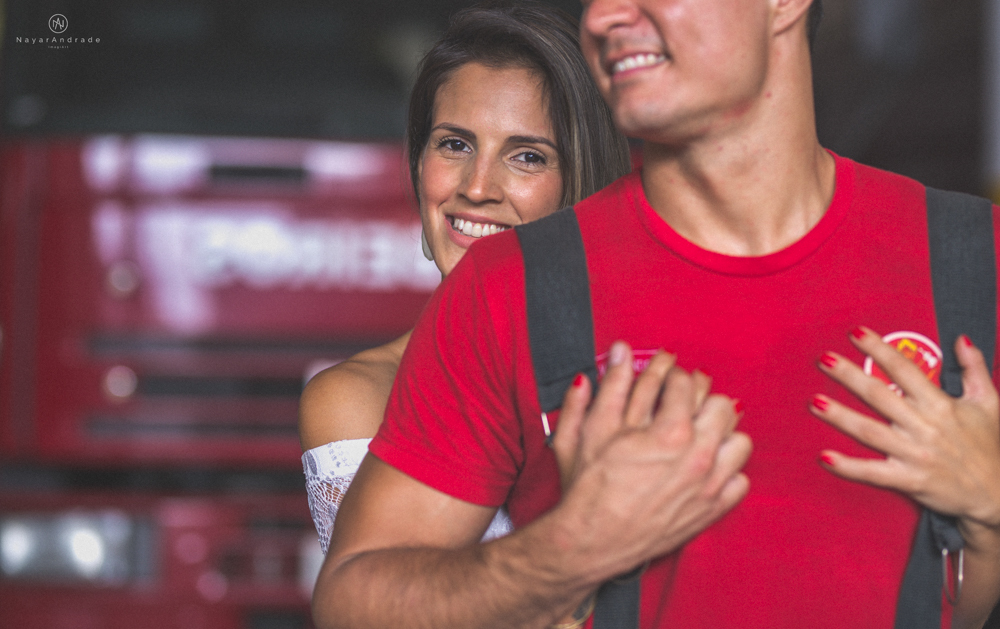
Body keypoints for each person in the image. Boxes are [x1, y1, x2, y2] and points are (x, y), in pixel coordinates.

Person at [312, 0, 1000, 627]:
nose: (607, 16)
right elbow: (354, 605)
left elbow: (945, 598)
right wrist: (565, 550)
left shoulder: (973, 258)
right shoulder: (510, 288)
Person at [298, 3, 631, 555]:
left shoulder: (644, 364)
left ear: (584, 181)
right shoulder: (357, 399)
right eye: (454, 144)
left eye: (526, 156)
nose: (476, 188)